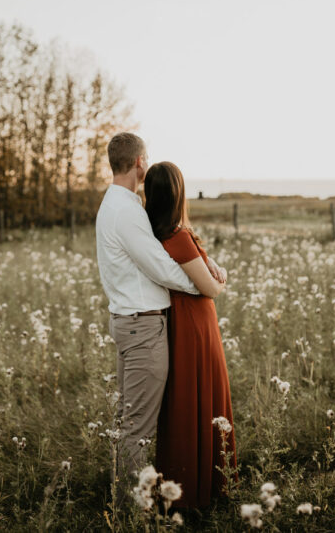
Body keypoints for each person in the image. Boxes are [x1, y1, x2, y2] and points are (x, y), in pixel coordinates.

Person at [95, 133, 226, 494]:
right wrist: (204, 285)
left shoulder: (118, 204)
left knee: (129, 420)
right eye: (147, 157)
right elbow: (161, 267)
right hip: (142, 328)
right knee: (137, 427)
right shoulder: (125, 211)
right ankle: (132, 507)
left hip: (132, 324)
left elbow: (162, 252)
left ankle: (123, 494)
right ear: (139, 162)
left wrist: (203, 262)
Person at [144, 161, 237, 510]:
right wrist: (220, 278)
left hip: (180, 323)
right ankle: (205, 489)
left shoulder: (155, 234)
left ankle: (186, 484)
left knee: (186, 399)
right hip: (196, 326)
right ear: (179, 194)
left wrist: (212, 264)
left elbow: (202, 270)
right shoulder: (178, 236)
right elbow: (209, 289)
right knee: (203, 395)